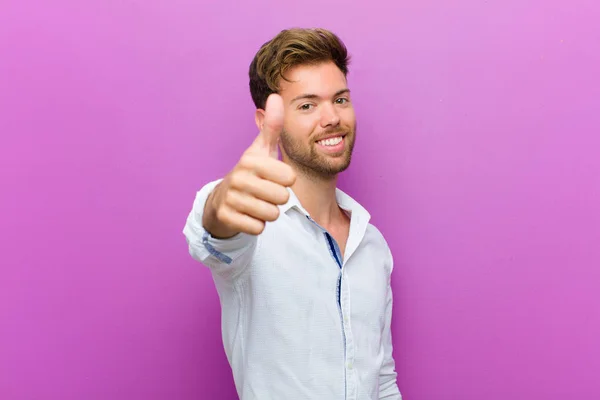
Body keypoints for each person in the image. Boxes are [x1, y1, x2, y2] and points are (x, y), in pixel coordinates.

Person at [183, 27, 402, 400]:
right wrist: (221, 202)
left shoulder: (373, 245)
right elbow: (212, 236)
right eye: (307, 105)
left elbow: (381, 380)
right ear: (267, 120)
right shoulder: (252, 227)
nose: (331, 117)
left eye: (341, 99)